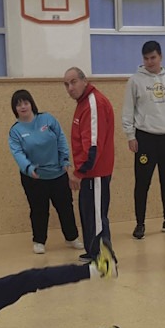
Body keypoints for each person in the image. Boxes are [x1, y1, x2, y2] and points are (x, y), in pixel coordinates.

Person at [122, 40, 165, 240]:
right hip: (145, 138)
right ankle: (140, 223)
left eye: (153, 58)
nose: (150, 62)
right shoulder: (135, 81)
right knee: (142, 183)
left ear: (160, 57)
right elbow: (128, 111)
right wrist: (130, 136)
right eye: (146, 58)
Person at [8, 89, 83, 254]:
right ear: (15, 108)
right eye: (18, 104)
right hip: (34, 178)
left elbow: (61, 139)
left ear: (31, 103)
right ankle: (39, 241)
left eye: (25, 102)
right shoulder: (15, 131)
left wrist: (65, 161)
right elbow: (18, 153)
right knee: (39, 210)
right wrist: (28, 168)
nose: (23, 107)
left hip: (58, 174)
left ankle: (72, 238)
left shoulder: (47, 119)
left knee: (65, 207)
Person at [63, 67, 115, 262]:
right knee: (88, 213)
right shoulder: (82, 103)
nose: (70, 87)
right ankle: (94, 252)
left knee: (97, 216)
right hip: (88, 173)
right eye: (66, 84)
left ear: (84, 81)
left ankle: (105, 258)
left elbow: (92, 146)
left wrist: (79, 172)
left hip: (95, 173)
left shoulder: (93, 103)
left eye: (73, 82)